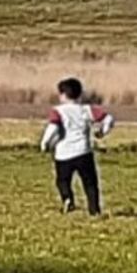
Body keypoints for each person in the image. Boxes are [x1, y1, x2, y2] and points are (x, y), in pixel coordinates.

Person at [40, 77, 114, 216]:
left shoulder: (58, 111)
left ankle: (68, 199)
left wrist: (45, 143)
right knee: (90, 183)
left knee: (63, 181)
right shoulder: (86, 110)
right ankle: (94, 209)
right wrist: (103, 131)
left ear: (62, 95)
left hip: (63, 154)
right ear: (80, 94)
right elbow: (108, 118)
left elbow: (53, 128)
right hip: (84, 152)